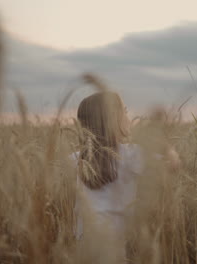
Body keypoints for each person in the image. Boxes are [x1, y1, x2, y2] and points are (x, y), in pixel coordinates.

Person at [72, 91, 143, 262]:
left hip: (84, 245)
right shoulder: (133, 154)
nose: (128, 116)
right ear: (112, 119)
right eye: (124, 111)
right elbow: (172, 165)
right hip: (114, 246)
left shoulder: (75, 158)